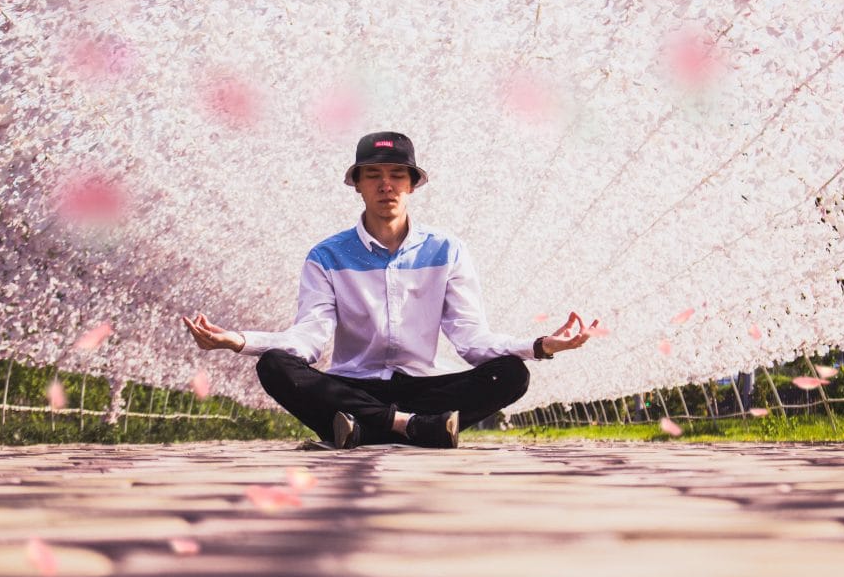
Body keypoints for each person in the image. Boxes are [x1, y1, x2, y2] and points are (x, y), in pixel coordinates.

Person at [183, 131, 598, 449]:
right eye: (374, 176)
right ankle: (412, 429)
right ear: (358, 185)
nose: (387, 185)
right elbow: (308, 338)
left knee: (510, 373)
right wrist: (238, 341)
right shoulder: (326, 256)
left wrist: (540, 345)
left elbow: (471, 339)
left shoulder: (447, 250)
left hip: (422, 389)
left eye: (397, 175)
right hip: (353, 386)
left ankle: (365, 430)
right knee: (274, 365)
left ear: (412, 185)